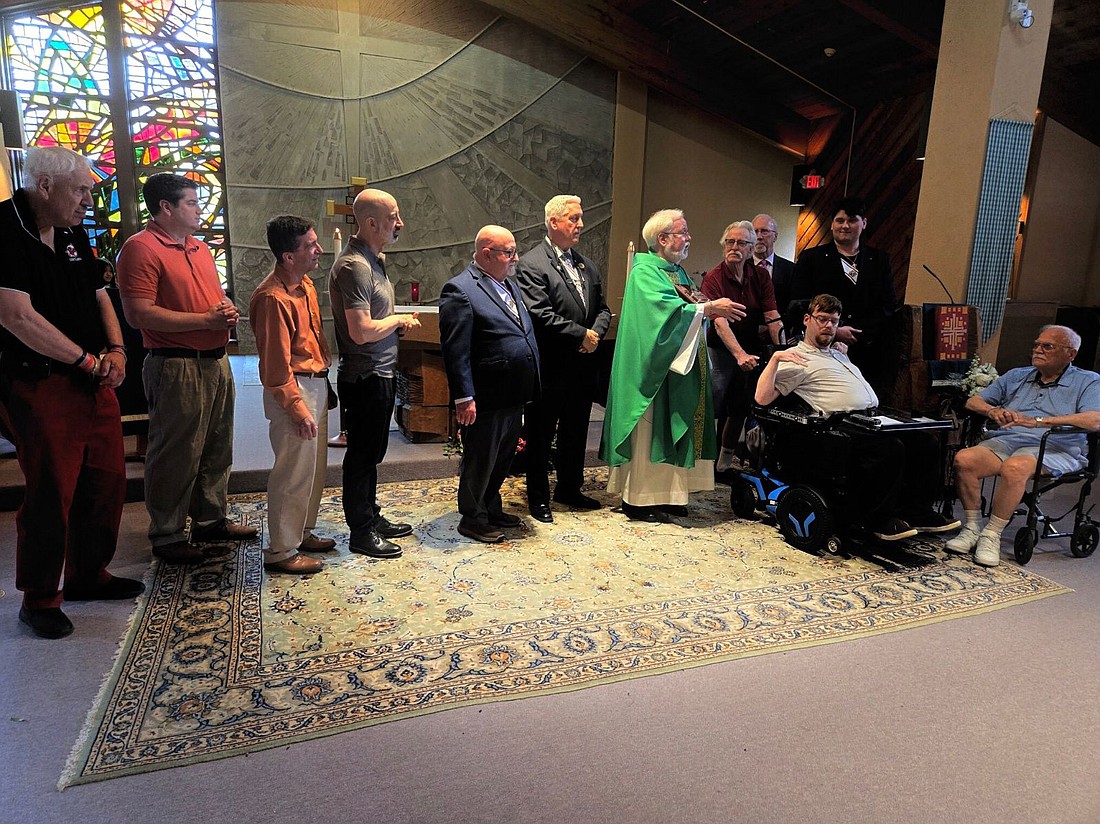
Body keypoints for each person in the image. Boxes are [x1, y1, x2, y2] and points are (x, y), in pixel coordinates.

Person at [0, 146, 143, 639]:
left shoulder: (73, 232)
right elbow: (16, 317)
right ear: (45, 187)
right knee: (51, 489)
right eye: (81, 189)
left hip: (93, 374)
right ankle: (40, 598)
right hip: (38, 379)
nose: (89, 198)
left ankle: (89, 575)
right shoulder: (4, 230)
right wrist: (85, 359)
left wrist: (118, 349)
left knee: (106, 479)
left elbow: (99, 293)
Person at [117, 173, 256, 565]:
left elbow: (209, 300)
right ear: (166, 208)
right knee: (177, 453)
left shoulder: (197, 248)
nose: (199, 209)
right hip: (175, 363)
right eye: (192, 203)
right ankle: (167, 533)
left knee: (216, 446)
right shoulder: (141, 249)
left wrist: (224, 308)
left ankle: (211, 519)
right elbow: (138, 314)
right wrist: (204, 320)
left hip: (215, 360)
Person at [755, 293, 960, 541]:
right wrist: (775, 358)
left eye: (834, 321)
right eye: (822, 319)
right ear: (807, 320)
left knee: (926, 443)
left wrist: (844, 355)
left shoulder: (838, 353)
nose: (828, 325)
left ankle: (917, 512)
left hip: (872, 418)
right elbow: (762, 399)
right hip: (837, 427)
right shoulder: (796, 357)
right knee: (889, 449)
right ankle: (878, 519)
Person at [599, 209, 745, 522]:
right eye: (683, 232)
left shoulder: (676, 272)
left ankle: (669, 495)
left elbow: (687, 307)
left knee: (675, 426)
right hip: (653, 371)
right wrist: (707, 308)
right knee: (653, 430)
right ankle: (639, 499)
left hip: (678, 368)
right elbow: (663, 315)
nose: (689, 238)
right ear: (663, 238)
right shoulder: (645, 272)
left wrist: (702, 309)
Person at [947, 325, 1100, 566]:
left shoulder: (1088, 381)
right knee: (965, 459)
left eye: (1047, 346)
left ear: (1070, 354)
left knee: (1016, 467)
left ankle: (992, 534)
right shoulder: (1018, 375)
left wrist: (1039, 422)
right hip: (1010, 440)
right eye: (1036, 345)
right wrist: (992, 410)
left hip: (1057, 447)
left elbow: (1095, 420)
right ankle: (973, 528)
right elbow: (973, 401)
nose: (1038, 350)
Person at [328, 188, 421, 559]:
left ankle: (371, 515)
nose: (400, 224)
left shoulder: (374, 260)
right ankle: (360, 532)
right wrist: (397, 319)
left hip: (379, 373)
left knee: (373, 453)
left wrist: (394, 326)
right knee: (363, 456)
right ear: (370, 223)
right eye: (393, 217)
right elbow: (361, 331)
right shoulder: (354, 266)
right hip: (364, 376)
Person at [439, 225, 540, 543]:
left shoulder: (509, 284)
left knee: (503, 456)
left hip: (512, 392)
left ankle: (491, 506)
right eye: (509, 252)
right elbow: (456, 351)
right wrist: (463, 397)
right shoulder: (460, 290)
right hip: (485, 394)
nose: (515, 258)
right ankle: (472, 517)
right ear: (486, 254)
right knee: (481, 458)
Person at [249, 216, 337, 575]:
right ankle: (281, 550)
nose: (318, 250)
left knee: (313, 469)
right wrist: (298, 407)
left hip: (314, 381)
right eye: (310, 245)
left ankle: (302, 531)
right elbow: (274, 367)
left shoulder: (306, 286)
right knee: (292, 471)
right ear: (288, 256)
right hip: (293, 388)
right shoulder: (272, 298)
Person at [515, 195, 611, 523]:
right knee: (541, 434)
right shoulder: (532, 263)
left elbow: (603, 308)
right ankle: (538, 497)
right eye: (573, 219)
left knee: (576, 431)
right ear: (553, 222)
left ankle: (569, 488)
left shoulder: (586, 263)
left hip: (583, 366)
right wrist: (580, 335)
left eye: (580, 218)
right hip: (551, 366)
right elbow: (539, 313)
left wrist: (594, 334)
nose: (580, 224)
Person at [789, 197, 898, 394]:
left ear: (863, 223)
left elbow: (888, 305)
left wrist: (857, 332)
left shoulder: (879, 260)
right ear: (831, 225)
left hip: (868, 348)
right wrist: (835, 330)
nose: (845, 226)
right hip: (822, 348)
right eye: (840, 221)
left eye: (852, 220)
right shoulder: (811, 258)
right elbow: (797, 303)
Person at [701, 220, 782, 471]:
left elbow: (771, 314)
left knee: (741, 405)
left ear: (750, 249)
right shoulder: (714, 278)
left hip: (751, 347)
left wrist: (782, 351)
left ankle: (724, 464)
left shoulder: (759, 275)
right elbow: (720, 323)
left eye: (741, 243)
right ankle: (702, 463)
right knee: (713, 404)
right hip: (721, 350)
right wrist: (738, 355)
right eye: (730, 242)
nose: (734, 247)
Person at [751, 213, 795, 323]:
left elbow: (792, 307)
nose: (759, 237)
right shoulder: (741, 267)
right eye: (755, 232)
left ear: (775, 236)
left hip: (780, 331)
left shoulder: (791, 269)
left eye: (764, 231)